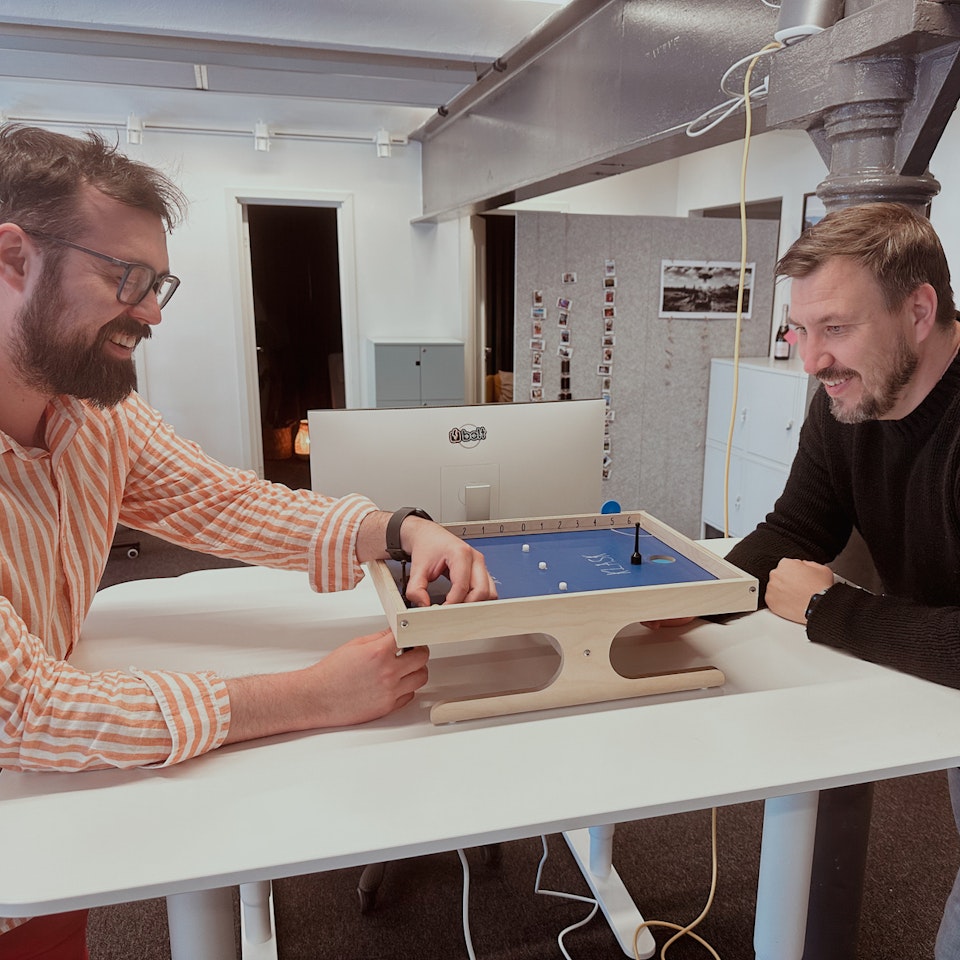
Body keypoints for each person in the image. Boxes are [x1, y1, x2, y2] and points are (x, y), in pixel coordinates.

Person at [0, 124, 496, 957]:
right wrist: (310, 696)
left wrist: (397, 528)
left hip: (36, 828)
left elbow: (227, 504)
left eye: (160, 283)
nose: (151, 311)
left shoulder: (95, 415)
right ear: (12, 257)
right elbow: (24, 711)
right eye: (126, 277)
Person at [722, 201, 960, 957]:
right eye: (801, 331)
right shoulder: (848, 400)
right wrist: (693, 599)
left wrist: (829, 608)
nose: (811, 360)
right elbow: (797, 527)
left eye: (835, 328)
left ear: (918, 310)